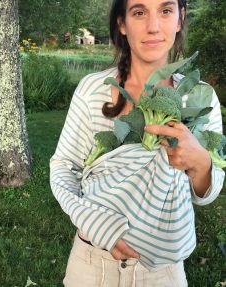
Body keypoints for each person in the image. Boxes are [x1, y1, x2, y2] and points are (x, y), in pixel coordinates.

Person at [50, 0, 225, 286]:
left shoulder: (199, 97)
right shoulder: (93, 89)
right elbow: (62, 167)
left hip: (162, 273)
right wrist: (93, 222)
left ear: (179, 19)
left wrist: (202, 164)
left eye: (166, 11)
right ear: (122, 23)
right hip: (91, 266)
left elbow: (208, 191)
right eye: (139, 12)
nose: (153, 26)